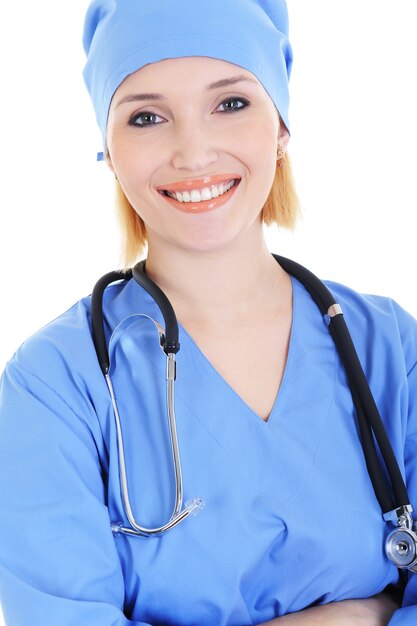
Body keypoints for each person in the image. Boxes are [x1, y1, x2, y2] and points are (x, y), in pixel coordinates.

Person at [0, 0, 416, 624]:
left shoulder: (389, 347)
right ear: (108, 150)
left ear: (280, 124)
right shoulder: (56, 385)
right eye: (146, 116)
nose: (193, 154)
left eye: (230, 103)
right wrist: (357, 614)